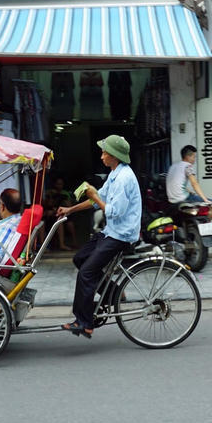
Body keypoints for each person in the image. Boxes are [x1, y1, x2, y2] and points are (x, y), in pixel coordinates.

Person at [56, 135, 141, 338]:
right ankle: (114, 292)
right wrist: (71, 209)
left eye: (104, 152)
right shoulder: (114, 175)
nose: (101, 156)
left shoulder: (123, 179)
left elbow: (114, 211)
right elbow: (98, 200)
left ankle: (84, 323)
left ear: (114, 156)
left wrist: (94, 196)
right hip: (111, 231)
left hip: (121, 234)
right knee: (80, 259)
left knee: (86, 273)